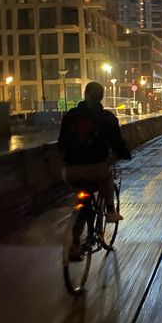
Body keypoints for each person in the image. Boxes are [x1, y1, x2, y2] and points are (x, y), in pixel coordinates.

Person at [58, 82, 131, 256]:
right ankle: (110, 210)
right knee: (107, 178)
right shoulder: (107, 118)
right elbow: (117, 143)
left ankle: (75, 244)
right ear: (101, 96)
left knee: (81, 201)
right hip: (96, 168)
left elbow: (61, 143)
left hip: (70, 171)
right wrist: (125, 155)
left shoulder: (70, 116)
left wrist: (69, 159)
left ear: (85, 94)